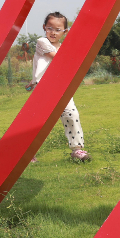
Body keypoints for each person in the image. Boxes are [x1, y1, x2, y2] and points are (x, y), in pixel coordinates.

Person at [26, 12, 90, 162]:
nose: (53, 33)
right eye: (50, 28)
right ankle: (28, 152)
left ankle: (77, 149)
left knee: (71, 114)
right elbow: (58, 59)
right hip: (44, 88)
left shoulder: (63, 47)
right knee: (39, 121)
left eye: (58, 29)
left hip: (61, 87)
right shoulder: (42, 42)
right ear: (44, 28)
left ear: (65, 32)